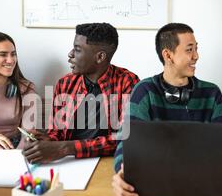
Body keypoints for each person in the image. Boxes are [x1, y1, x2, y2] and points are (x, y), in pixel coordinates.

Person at [112, 23, 222, 196]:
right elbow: (126, 140)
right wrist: (122, 172)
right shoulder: (144, 91)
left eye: (196, 49)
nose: (196, 56)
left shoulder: (211, 93)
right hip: (157, 185)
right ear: (168, 55)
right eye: (189, 50)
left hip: (202, 186)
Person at [22, 23, 140, 163]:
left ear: (100, 57)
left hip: (106, 162)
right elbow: (56, 133)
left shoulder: (127, 82)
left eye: (77, 50)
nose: (70, 54)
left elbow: (124, 137)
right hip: (69, 162)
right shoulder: (65, 83)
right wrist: (46, 141)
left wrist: (65, 148)